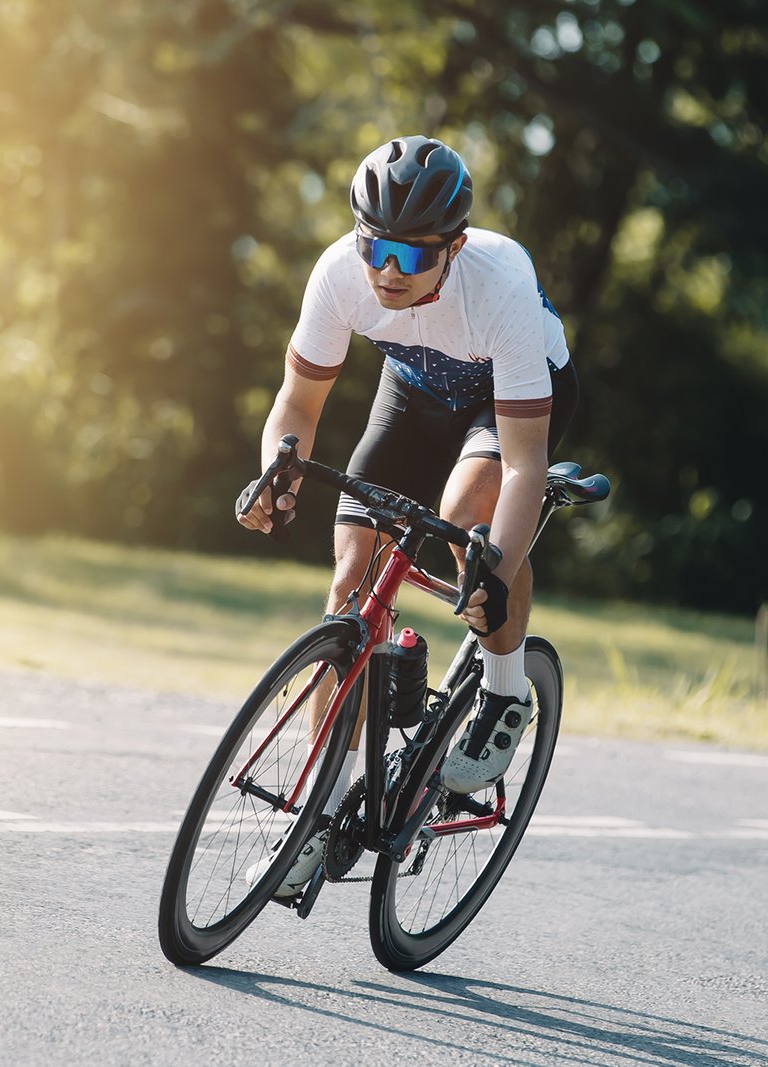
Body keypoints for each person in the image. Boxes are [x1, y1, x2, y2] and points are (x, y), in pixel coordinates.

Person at [238, 135, 579, 896]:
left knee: (466, 531)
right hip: (415, 392)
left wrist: (493, 560)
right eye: (375, 246)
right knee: (350, 579)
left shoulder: (501, 286)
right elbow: (297, 404)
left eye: (412, 254)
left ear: (453, 248)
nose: (388, 270)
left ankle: (502, 688)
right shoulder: (340, 274)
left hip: (506, 403)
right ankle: (316, 818)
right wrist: (276, 467)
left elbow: (523, 462)